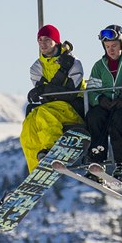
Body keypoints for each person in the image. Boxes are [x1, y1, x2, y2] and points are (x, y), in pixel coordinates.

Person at [19, 24, 86, 173]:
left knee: (43, 113)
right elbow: (45, 94)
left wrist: (45, 89)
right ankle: (35, 169)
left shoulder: (73, 63)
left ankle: (52, 151)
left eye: (47, 40)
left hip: (72, 109)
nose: (42, 44)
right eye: (40, 40)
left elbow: (71, 93)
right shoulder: (36, 67)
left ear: (56, 41)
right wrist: (47, 89)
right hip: (52, 109)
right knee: (29, 123)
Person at [85, 24, 122, 184]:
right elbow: (92, 90)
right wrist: (100, 100)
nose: (111, 50)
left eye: (114, 46)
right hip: (106, 105)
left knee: (119, 120)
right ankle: (97, 161)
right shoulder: (99, 66)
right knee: (94, 116)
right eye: (107, 46)